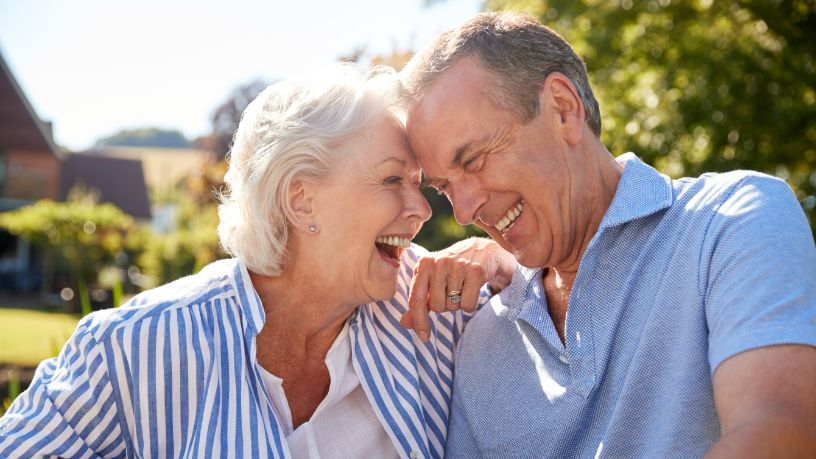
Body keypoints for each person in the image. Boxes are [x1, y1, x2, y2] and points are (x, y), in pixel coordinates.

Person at [0, 65, 515, 458]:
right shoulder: (133, 350)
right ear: (301, 200)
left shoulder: (435, 311)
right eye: (391, 180)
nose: (423, 209)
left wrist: (503, 260)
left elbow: (561, 304)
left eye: (419, 183)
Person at [399, 11, 816, 458]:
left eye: (475, 160)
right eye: (444, 187)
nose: (463, 211)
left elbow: (781, 436)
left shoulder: (729, 219)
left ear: (563, 109)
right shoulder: (480, 343)